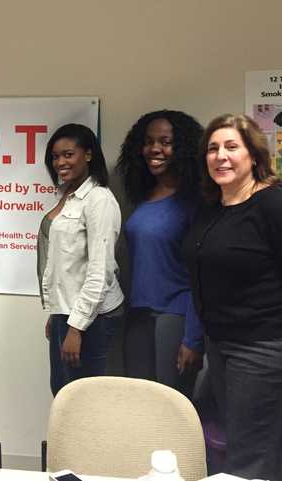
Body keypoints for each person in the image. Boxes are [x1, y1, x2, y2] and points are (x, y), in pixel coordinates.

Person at [184, 114, 282, 480]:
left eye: (231, 147)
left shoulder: (272, 204)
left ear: (253, 155)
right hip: (220, 345)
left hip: (261, 347)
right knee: (235, 443)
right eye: (212, 148)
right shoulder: (214, 209)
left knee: (250, 456)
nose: (220, 156)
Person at [116, 110, 204, 398]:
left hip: (175, 316)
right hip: (139, 314)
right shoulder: (143, 198)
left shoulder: (194, 202)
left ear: (183, 149)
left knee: (171, 407)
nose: (155, 149)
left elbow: (199, 274)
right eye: (149, 141)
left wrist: (192, 338)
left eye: (165, 142)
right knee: (142, 404)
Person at [37, 124, 124, 396]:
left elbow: (101, 270)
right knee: (61, 390)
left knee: (82, 400)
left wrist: (76, 328)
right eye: (55, 156)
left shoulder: (98, 200)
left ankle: (82, 442)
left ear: (87, 155)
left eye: (68, 154)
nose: (60, 162)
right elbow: (64, 266)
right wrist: (57, 313)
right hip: (68, 312)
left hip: (93, 318)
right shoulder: (66, 196)